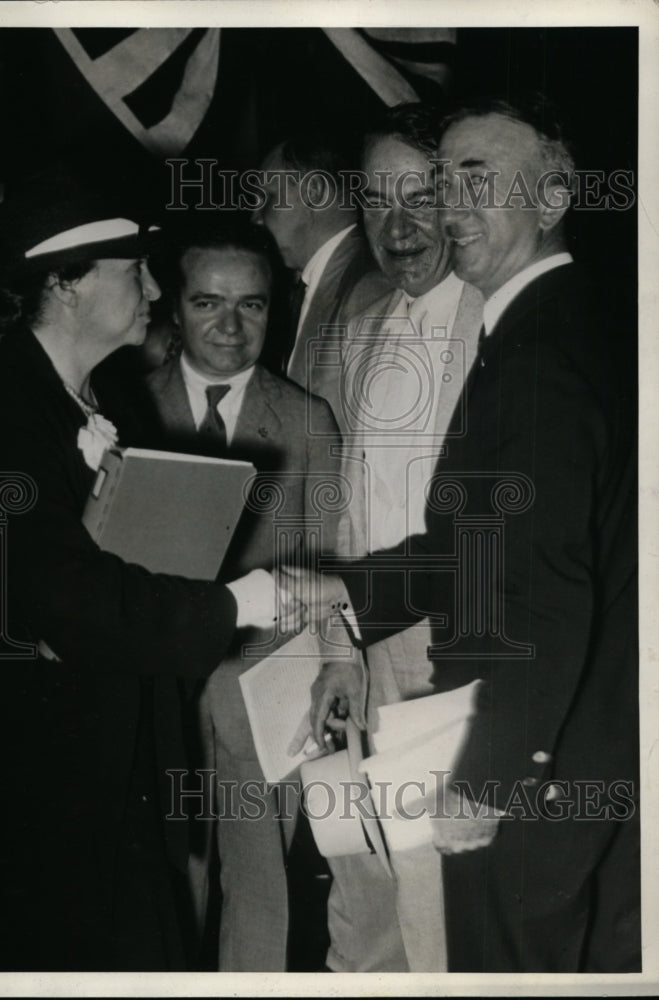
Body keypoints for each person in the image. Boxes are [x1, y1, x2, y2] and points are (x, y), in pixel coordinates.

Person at [285, 95, 640, 972]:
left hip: (509, 721)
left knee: (478, 946)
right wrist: (343, 607)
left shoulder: (530, 345)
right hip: (462, 703)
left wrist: (488, 774)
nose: (437, 210)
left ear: (550, 200)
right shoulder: (506, 327)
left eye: (468, 179)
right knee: (401, 926)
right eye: (438, 181)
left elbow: (539, 587)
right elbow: (464, 540)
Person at [0, 171, 288, 972]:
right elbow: (63, 598)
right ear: (64, 285)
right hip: (37, 785)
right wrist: (243, 599)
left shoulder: (88, 398)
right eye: (133, 270)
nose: (156, 289)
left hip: (101, 766)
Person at [308, 103, 483, 973]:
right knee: (361, 894)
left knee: (435, 911)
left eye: (418, 194)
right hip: (362, 652)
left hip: (449, 658)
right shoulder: (364, 326)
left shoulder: (494, 326)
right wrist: (335, 647)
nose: (396, 223)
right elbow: (341, 506)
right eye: (375, 199)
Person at [145, 218, 341, 971]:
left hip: (265, 686)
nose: (230, 326)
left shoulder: (305, 422)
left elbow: (328, 558)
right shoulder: (124, 408)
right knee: (168, 881)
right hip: (156, 687)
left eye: (252, 305)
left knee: (261, 886)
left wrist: (333, 664)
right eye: (207, 303)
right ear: (172, 306)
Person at [251, 131, 390, 407]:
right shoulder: (319, 283)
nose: (255, 218)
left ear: (314, 192)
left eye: (266, 198)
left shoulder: (370, 292)